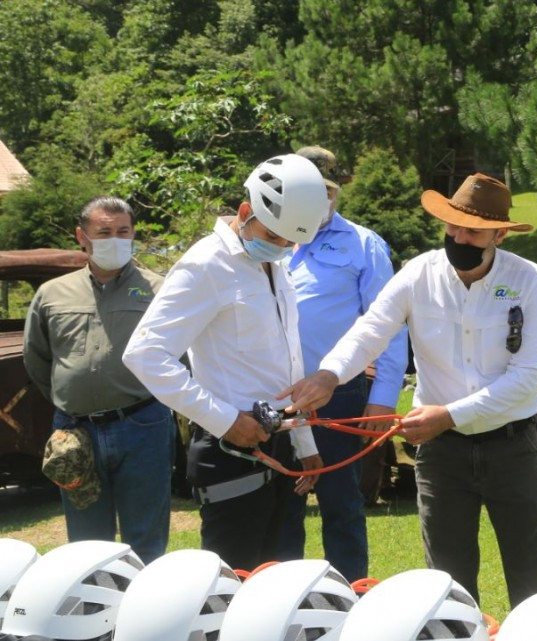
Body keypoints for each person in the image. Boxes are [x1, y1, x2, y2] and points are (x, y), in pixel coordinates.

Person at [285, 173, 537, 607]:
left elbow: (527, 378)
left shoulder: (529, 280)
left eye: (473, 231)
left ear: (500, 234)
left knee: (531, 575)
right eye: (452, 226)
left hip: (511, 447)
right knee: (447, 582)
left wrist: (447, 415)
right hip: (441, 453)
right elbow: (371, 330)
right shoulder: (418, 273)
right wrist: (330, 374)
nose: (459, 237)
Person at [122, 153, 329, 571]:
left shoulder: (273, 265)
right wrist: (226, 420)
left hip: (282, 444)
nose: (282, 248)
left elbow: (287, 362)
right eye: (274, 236)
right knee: (231, 589)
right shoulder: (205, 265)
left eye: (290, 242)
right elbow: (145, 354)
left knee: (283, 583)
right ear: (245, 212)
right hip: (229, 452)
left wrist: (304, 444)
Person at [275, 145, 408, 582]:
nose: (322, 200)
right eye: (312, 190)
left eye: (328, 190)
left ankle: (350, 600)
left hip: (338, 395)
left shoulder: (363, 245)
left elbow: (387, 324)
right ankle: (279, 600)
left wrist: (384, 397)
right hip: (271, 395)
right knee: (280, 504)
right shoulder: (267, 239)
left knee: (341, 504)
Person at [23, 196, 175, 563]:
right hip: (76, 431)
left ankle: (146, 616)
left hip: (143, 425)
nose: (115, 239)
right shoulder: (52, 293)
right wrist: (72, 397)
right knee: (87, 545)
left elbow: (179, 356)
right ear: (82, 236)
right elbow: (37, 359)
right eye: (103, 232)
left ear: (134, 233)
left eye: (123, 231)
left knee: (146, 539)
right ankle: (95, 614)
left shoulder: (161, 290)